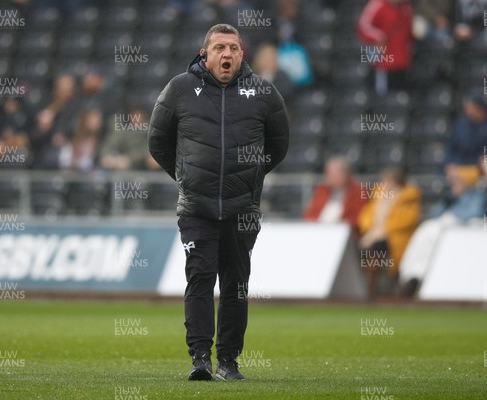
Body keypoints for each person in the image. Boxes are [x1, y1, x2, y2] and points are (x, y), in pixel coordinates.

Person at [148, 24, 289, 381]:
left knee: (236, 284)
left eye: (234, 48)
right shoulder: (179, 88)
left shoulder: (264, 92)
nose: (227, 54)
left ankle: (228, 361)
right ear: (204, 54)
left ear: (243, 55)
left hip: (242, 210)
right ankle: (200, 358)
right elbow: (157, 142)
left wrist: (250, 178)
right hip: (197, 207)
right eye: (220, 48)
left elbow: (279, 144)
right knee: (200, 278)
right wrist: (187, 176)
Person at [399, 165, 487, 296]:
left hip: (459, 229)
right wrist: (448, 201)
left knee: (432, 233)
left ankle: (419, 275)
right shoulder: (451, 198)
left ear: (467, 183)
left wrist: (452, 215)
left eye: (457, 183)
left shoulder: (477, 197)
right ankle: (412, 274)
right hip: (442, 226)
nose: (454, 186)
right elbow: (434, 213)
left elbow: (473, 214)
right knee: (424, 231)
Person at [357, 167, 421, 298]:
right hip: (374, 236)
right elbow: (364, 218)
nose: (385, 185)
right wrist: (371, 232)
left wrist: (381, 232)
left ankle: (373, 287)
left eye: (388, 181)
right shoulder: (378, 197)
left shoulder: (408, 197)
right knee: (357, 247)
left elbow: (406, 221)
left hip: (396, 239)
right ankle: (364, 285)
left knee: (377, 247)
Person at [358, 0, 414, 95]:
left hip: (403, 62)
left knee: (400, 99)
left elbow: (409, 32)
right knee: (383, 100)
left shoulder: (406, 7)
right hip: (384, 62)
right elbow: (363, 26)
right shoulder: (377, 4)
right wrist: (378, 37)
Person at [303, 156, 366, 235]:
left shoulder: (358, 191)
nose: (328, 177)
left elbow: (356, 219)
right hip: (317, 231)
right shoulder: (322, 190)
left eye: (331, 174)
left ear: (344, 174)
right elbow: (311, 213)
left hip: (343, 233)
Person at [444, 95, 487, 172]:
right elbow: (451, 146)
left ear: (480, 108)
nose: (467, 111)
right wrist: (451, 162)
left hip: (481, 166)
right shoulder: (462, 124)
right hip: (460, 165)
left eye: (470, 107)